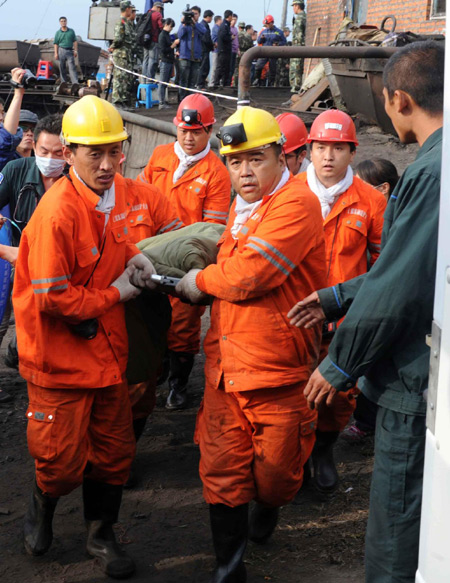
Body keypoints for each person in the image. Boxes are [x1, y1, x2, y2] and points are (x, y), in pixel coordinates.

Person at [288, 41, 443, 583]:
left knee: (398, 515)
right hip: (400, 348)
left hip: (410, 370)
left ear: (399, 99)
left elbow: (401, 280)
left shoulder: (427, 172)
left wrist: (340, 362)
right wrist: (335, 298)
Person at [175, 106, 326, 582]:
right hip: (225, 368)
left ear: (282, 156)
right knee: (222, 472)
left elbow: (252, 275)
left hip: (278, 372)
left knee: (277, 478)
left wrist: (198, 279)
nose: (243, 171)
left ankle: (270, 506)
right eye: (234, 161)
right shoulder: (244, 210)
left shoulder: (296, 204)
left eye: (255, 158)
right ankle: (229, 567)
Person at [15, 95, 158, 579]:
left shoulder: (111, 194)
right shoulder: (58, 212)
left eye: (112, 152)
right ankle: (43, 504)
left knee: (114, 453)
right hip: (59, 358)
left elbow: (111, 239)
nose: (104, 163)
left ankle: (101, 535)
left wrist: (135, 254)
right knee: (58, 460)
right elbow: (53, 298)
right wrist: (116, 295)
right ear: (70, 152)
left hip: (105, 354)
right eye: (92, 153)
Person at [293, 109, 386, 494]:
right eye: (320, 147)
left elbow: (383, 265)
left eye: (338, 148)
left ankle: (324, 451)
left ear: (352, 152)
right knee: (294, 392)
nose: (328, 156)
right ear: (309, 151)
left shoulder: (371, 202)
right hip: (297, 317)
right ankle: (294, 459)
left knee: (340, 395)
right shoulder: (288, 195)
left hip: (345, 322)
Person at [138, 94, 231, 410]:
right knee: (148, 317)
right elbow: (141, 201)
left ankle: (178, 384)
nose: (189, 138)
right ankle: (156, 371)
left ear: (209, 130)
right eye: (183, 131)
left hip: (186, 261)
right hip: (151, 253)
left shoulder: (217, 172)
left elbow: (211, 230)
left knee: (183, 324)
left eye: (196, 132)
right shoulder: (160, 156)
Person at [0, 68, 38, 172]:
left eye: (33, 129)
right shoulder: (5, 163)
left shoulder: (41, 166)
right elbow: (6, 138)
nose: (29, 133)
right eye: (23, 128)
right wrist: (18, 93)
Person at [177, 5, 205, 100]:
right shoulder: (185, 25)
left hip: (196, 57)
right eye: (192, 14)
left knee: (193, 81)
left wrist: (194, 23)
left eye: (195, 14)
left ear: (199, 15)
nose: (193, 16)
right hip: (185, 56)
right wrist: (184, 23)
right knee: (183, 80)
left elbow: (203, 32)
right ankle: (182, 99)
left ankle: (190, 100)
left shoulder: (199, 26)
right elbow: (180, 35)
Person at [110, 1, 134, 107]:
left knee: (125, 78)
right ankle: (117, 100)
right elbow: (118, 39)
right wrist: (112, 46)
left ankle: (123, 99)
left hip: (126, 55)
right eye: (130, 8)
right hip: (120, 55)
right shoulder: (121, 23)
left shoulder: (127, 23)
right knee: (119, 78)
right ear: (127, 9)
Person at [254, 15, 286, 87]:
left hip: (273, 53)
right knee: (258, 66)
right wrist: (261, 39)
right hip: (264, 52)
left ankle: (271, 84)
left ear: (272, 23)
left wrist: (278, 44)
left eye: (268, 24)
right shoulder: (264, 32)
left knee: (272, 69)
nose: (267, 25)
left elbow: (284, 41)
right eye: (266, 24)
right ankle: (257, 79)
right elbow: (258, 41)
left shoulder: (279, 32)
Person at [158, 18, 179, 109]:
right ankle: (161, 103)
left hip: (169, 61)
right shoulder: (162, 35)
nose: (171, 29)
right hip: (165, 61)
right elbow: (162, 50)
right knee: (162, 83)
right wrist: (172, 46)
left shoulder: (166, 35)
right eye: (170, 26)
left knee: (165, 82)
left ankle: (163, 101)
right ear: (166, 24)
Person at [288, 0, 306, 101]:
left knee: (296, 71)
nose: (293, 8)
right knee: (295, 70)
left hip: (298, 47)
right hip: (297, 47)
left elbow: (299, 36)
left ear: (297, 6)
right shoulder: (303, 17)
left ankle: (295, 93)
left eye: (294, 6)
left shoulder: (300, 17)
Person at [53, 16, 79, 84]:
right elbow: (56, 43)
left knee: (72, 67)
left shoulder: (71, 31)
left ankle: (75, 82)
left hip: (70, 51)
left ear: (66, 22)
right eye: (62, 21)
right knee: (62, 67)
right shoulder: (58, 33)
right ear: (60, 22)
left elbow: (75, 41)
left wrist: (75, 50)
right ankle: (63, 82)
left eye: (64, 21)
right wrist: (56, 53)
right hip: (61, 50)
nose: (63, 22)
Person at [142, 1, 164, 80]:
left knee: (145, 60)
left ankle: (144, 78)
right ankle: (150, 79)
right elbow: (161, 27)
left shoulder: (147, 13)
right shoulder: (158, 14)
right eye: (160, 9)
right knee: (153, 60)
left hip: (145, 40)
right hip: (154, 40)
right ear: (158, 8)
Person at [214, 9, 233, 88]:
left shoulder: (226, 25)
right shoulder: (224, 25)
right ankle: (216, 83)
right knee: (221, 66)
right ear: (229, 16)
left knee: (226, 67)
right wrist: (230, 37)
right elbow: (223, 36)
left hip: (226, 50)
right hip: (223, 50)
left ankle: (225, 83)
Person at [196, 9, 214, 89]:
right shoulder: (204, 25)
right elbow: (206, 39)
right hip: (204, 49)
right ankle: (200, 84)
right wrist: (212, 45)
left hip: (203, 49)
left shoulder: (201, 24)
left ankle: (201, 83)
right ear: (208, 17)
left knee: (204, 67)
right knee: (204, 67)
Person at [233, 23, 253, 88]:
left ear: (239, 27)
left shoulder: (236, 34)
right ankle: (245, 85)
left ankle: (236, 85)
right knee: (246, 70)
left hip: (238, 53)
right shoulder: (248, 35)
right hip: (246, 54)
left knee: (236, 69)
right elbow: (251, 46)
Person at [209, 15, 222, 87]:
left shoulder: (217, 28)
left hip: (218, 50)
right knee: (215, 67)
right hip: (216, 50)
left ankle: (215, 82)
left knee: (217, 66)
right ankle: (212, 83)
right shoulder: (216, 28)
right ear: (219, 20)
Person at [228, 14, 239, 86]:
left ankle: (230, 83)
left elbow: (236, 40)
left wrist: (238, 49)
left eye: (236, 20)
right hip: (230, 50)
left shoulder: (235, 29)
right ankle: (227, 82)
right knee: (229, 68)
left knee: (233, 68)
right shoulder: (228, 28)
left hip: (235, 50)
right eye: (233, 19)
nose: (234, 21)